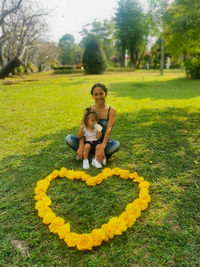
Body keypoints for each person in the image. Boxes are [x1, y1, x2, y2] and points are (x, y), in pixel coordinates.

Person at [66, 83, 120, 165]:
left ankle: (89, 156)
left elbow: (108, 130)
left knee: (116, 144)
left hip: (102, 144)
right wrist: (81, 146)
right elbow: (82, 129)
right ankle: (97, 158)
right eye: (96, 94)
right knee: (69, 138)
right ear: (92, 96)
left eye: (101, 94)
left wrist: (102, 147)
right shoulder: (88, 110)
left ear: (105, 94)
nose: (99, 97)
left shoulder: (111, 110)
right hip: (87, 143)